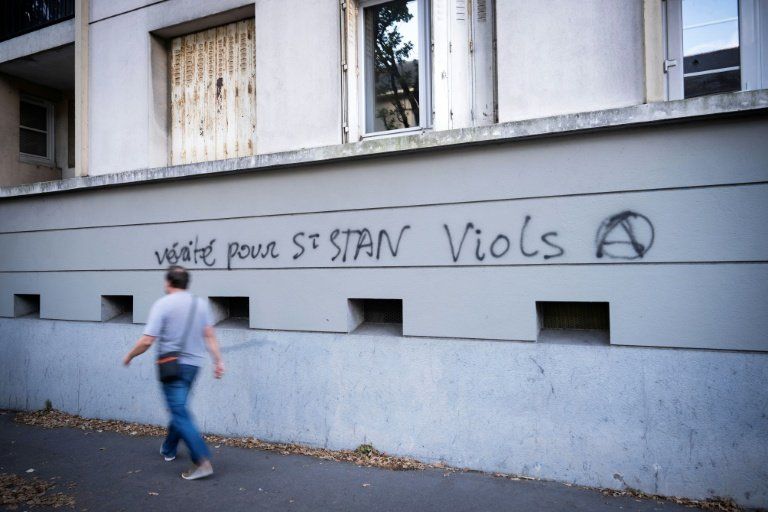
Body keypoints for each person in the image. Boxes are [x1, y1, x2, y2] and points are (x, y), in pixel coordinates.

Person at [123, 265, 225, 480]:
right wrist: (218, 360)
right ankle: (169, 448)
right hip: (193, 366)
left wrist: (130, 355)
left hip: (172, 365)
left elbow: (147, 340)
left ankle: (202, 461)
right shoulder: (200, 304)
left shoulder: (163, 304)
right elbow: (209, 335)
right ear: (186, 283)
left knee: (178, 411)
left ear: (168, 282)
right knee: (179, 408)